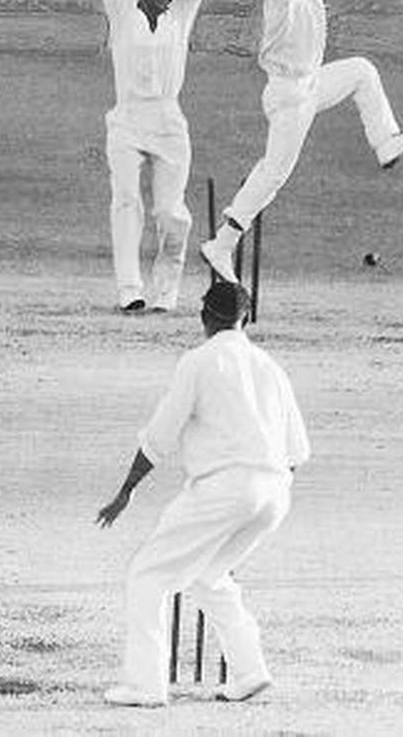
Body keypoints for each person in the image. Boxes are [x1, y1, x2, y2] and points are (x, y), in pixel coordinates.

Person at [199, 0, 403, 284]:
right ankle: (222, 244)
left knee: (361, 70)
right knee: (275, 172)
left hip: (307, 84)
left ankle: (387, 142)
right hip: (287, 94)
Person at [96, 280, 309, 707]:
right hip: (275, 492)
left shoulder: (198, 361)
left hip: (226, 487)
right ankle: (249, 672)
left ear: (203, 318)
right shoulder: (271, 366)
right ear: (245, 319)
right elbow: (297, 452)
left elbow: (161, 434)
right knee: (208, 575)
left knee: (148, 573)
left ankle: (145, 685)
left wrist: (126, 491)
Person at [89, 0, 250, 314]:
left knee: (170, 212)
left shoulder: (182, 9)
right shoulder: (122, 6)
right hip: (126, 119)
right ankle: (129, 291)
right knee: (125, 202)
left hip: (168, 120)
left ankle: (165, 293)